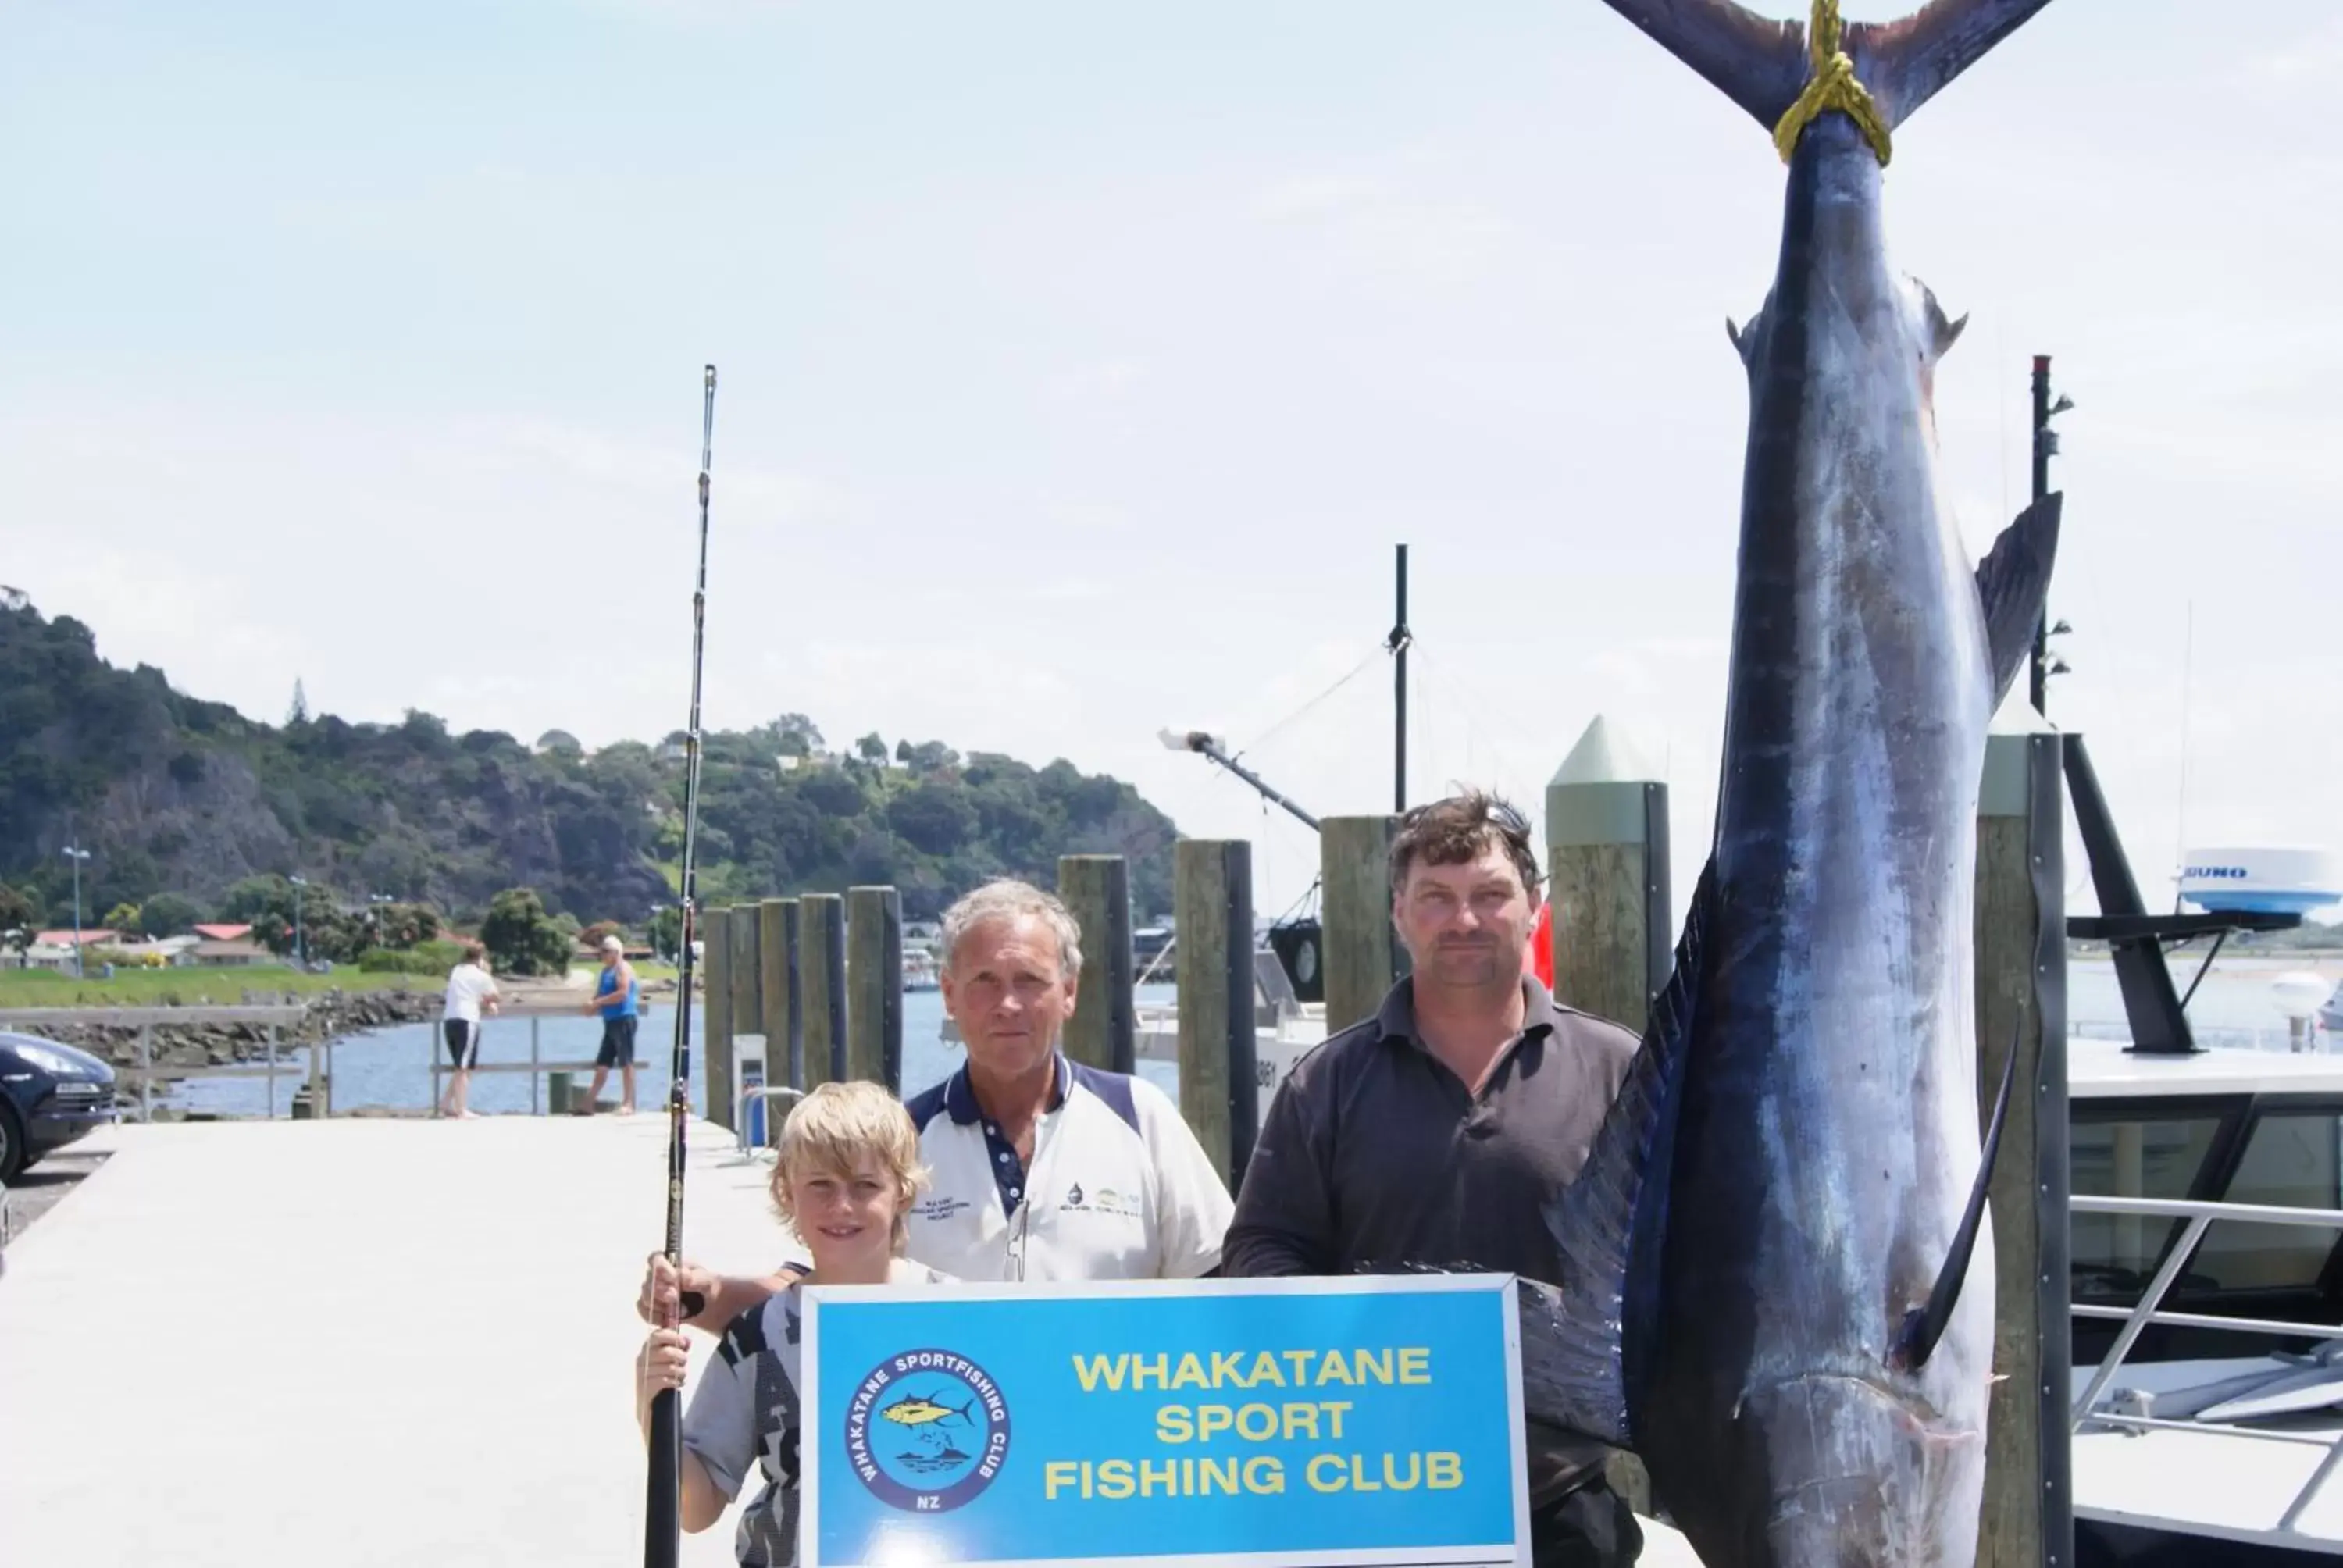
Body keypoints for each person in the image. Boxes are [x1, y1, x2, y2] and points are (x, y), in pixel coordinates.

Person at [1220, 789, 1645, 1568]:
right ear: (1398, 914)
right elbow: (1261, 1248)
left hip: (1563, 1497)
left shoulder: (1618, 1067)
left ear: (1534, 905)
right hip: (1375, 1487)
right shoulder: (1327, 1080)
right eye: (1437, 899)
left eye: (1491, 895)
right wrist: (1374, 1341)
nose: (1466, 920)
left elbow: (1674, 1260)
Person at [639, 878, 1234, 1331]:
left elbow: (1225, 1289)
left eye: (1030, 981)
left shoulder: (1140, 1115)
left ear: (1070, 993)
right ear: (949, 994)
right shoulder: (901, 1137)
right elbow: (820, 1285)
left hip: (1107, 1460)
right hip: (953, 1462)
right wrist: (707, 1297)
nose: (1007, 1004)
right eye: (983, 982)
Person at [635, 1080, 950, 1567]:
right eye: (820, 1185)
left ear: (903, 1192)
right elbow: (696, 1510)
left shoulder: (958, 1309)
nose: (841, 1206)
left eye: (865, 1186)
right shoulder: (755, 1337)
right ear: (787, 1193)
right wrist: (652, 1409)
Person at [439, 942, 500, 1118]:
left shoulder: (456, 971)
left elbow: (468, 990)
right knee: (463, 1068)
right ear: (480, 959)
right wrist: (490, 1001)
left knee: (461, 1066)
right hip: (467, 1020)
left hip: (450, 1020)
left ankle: (444, 1105)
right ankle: (461, 1109)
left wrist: (485, 999)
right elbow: (496, 995)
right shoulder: (481, 976)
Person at [581, 932, 640, 1115]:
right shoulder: (605, 972)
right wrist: (592, 1005)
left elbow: (622, 993)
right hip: (610, 1021)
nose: (603, 955)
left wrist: (598, 1003)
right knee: (603, 1062)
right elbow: (600, 994)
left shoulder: (623, 969)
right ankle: (588, 1103)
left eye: (606, 951)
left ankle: (628, 1102)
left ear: (616, 952)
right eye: (602, 952)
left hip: (624, 1018)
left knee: (626, 1061)